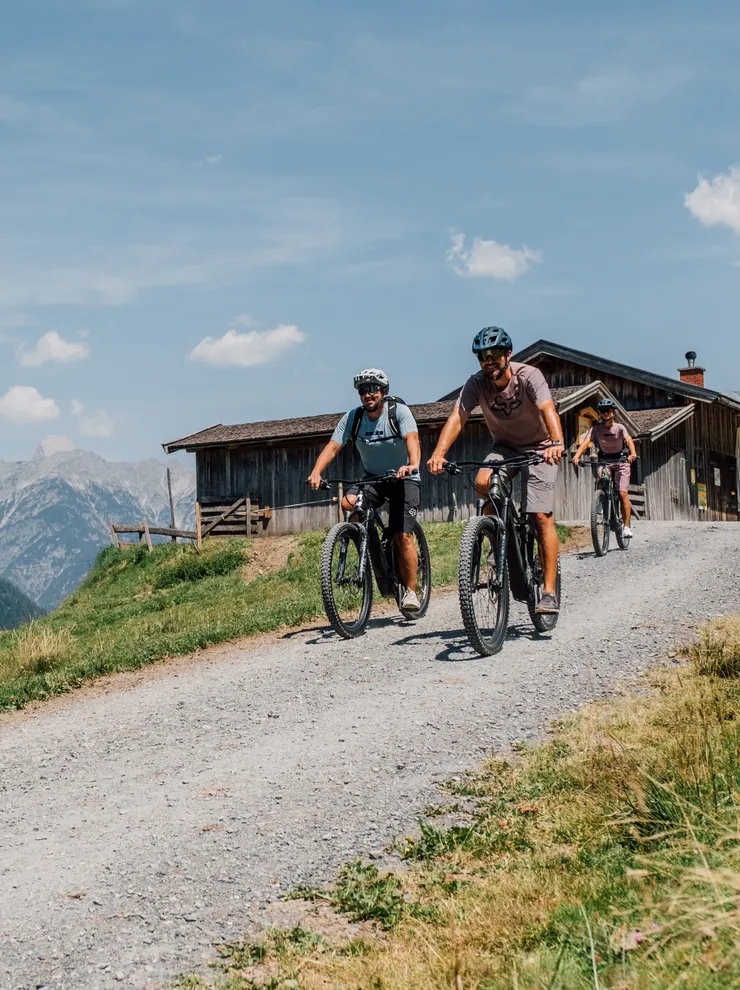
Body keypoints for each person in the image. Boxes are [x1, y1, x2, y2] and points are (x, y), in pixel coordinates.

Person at [427, 326, 564, 613]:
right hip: (503, 447)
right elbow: (457, 417)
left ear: (508, 354)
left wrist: (556, 442)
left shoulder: (529, 376)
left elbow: (548, 409)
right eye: (482, 356)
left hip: (540, 447)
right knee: (482, 482)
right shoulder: (476, 384)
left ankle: (549, 591)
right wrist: (439, 454)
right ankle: (496, 537)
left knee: (540, 516)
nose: (489, 360)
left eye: (495, 354)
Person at [308, 368, 423, 612]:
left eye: (372, 389)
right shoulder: (354, 418)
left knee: (402, 536)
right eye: (362, 391)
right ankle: (369, 547)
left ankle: (411, 591)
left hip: (404, 478)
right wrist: (317, 472)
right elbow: (333, 447)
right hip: (373, 478)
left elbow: (412, 439)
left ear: (382, 391)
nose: (367, 394)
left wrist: (412, 464)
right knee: (349, 504)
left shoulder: (398, 412)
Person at [572, 397, 637, 537]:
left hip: (621, 460)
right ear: (600, 413)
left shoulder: (620, 428)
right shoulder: (596, 429)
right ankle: (600, 501)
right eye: (602, 411)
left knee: (622, 493)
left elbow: (629, 441)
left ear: (613, 412)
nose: (605, 413)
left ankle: (626, 527)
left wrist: (633, 453)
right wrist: (577, 456)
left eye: (608, 411)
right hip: (604, 460)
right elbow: (585, 443)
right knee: (601, 478)